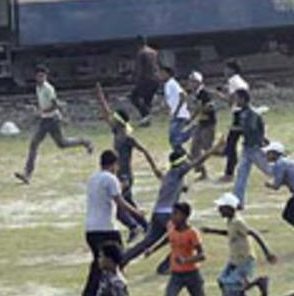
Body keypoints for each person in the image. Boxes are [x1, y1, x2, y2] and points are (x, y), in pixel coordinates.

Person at [122, 141, 223, 268]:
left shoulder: (168, 175)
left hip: (157, 213)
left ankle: (123, 259)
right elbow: (197, 162)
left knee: (147, 242)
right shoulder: (179, 172)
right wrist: (213, 149)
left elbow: (166, 180)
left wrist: (182, 188)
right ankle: (167, 266)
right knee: (183, 237)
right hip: (168, 214)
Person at [17, 66, 93, 184]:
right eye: (39, 76)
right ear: (36, 77)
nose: (40, 78)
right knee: (34, 144)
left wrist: (42, 112)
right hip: (45, 120)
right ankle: (27, 174)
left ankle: (84, 141)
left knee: (62, 143)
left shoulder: (48, 88)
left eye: (42, 76)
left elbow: (55, 105)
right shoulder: (38, 88)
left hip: (53, 120)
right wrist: (40, 111)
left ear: (45, 76)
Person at [84, 150, 144, 296]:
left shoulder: (93, 178)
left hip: (91, 229)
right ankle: (119, 290)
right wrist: (137, 213)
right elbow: (120, 202)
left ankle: (92, 292)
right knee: (117, 260)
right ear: (115, 164)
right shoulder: (111, 179)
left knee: (98, 264)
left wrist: (121, 187)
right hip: (106, 228)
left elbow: (104, 194)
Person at [96, 83, 149, 241]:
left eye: (114, 119)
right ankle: (147, 227)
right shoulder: (117, 131)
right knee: (129, 203)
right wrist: (100, 97)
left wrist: (155, 169)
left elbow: (144, 150)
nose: (111, 120)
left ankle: (134, 227)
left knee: (119, 208)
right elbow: (106, 114)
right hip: (118, 175)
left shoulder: (127, 137)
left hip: (125, 176)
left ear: (119, 122)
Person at [201, 193, 275, 296]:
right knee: (222, 281)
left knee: (231, 285)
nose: (219, 210)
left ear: (230, 208)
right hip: (235, 259)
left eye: (221, 208)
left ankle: (260, 282)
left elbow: (253, 233)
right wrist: (212, 231)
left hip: (245, 259)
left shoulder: (238, 222)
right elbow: (230, 233)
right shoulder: (230, 221)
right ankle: (254, 285)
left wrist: (267, 252)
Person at [145, 202, 206, 296]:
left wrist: (185, 260)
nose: (172, 216)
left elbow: (202, 255)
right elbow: (167, 239)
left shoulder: (192, 233)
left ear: (185, 216)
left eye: (175, 213)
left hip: (192, 274)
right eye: (172, 213)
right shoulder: (171, 227)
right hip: (176, 274)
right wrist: (152, 249)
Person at [232, 89, 271, 208]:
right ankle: (238, 201)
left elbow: (251, 129)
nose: (235, 101)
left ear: (243, 99)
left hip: (255, 148)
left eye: (237, 98)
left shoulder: (252, 113)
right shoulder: (243, 112)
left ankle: (290, 178)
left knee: (270, 171)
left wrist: (236, 129)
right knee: (241, 175)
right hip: (247, 148)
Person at [218, 60, 250, 182]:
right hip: (244, 112)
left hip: (238, 114)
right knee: (253, 139)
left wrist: (219, 95)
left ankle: (229, 173)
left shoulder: (232, 81)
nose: (224, 71)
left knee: (231, 144)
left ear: (232, 70)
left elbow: (231, 101)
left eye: (226, 69)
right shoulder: (240, 80)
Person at [187, 71, 217, 181]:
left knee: (207, 147)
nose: (191, 84)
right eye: (190, 81)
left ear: (199, 82)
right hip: (201, 123)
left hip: (208, 124)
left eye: (193, 81)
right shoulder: (196, 93)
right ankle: (202, 172)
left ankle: (225, 152)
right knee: (194, 149)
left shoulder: (204, 93)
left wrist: (192, 117)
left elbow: (206, 107)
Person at [130, 35, 160, 127]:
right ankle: (147, 122)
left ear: (138, 43)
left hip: (146, 80)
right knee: (147, 101)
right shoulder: (153, 52)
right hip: (155, 79)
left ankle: (146, 116)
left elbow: (140, 69)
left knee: (133, 97)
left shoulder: (141, 53)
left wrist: (135, 80)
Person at [161, 66, 193, 150]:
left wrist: (177, 110)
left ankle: (193, 131)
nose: (161, 75)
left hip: (180, 115)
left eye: (163, 73)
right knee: (174, 138)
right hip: (175, 114)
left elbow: (183, 95)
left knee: (174, 138)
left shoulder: (172, 83)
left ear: (168, 74)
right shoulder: (167, 84)